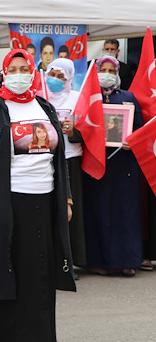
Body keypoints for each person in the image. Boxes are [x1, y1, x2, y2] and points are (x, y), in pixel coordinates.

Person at [0, 49, 76, 341]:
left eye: (24, 68)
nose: (19, 74)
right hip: (9, 203)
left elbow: (59, 157)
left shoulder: (44, 107)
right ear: (5, 73)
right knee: (8, 273)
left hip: (45, 201)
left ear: (33, 71)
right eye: (13, 69)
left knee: (40, 275)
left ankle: (40, 334)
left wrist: (66, 196)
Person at [82, 56, 144, 277]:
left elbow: (140, 129)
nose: (107, 73)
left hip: (124, 165)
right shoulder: (88, 98)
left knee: (125, 213)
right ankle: (97, 261)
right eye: (103, 69)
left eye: (111, 70)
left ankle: (127, 261)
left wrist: (132, 141)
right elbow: (82, 127)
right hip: (96, 163)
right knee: (98, 211)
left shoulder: (129, 98)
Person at [44, 58, 86, 268]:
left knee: (70, 212)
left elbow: (89, 131)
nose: (55, 80)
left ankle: (70, 261)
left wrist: (73, 131)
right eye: (52, 74)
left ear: (69, 78)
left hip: (70, 159)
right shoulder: (38, 98)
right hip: (45, 160)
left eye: (61, 77)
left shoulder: (78, 99)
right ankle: (49, 259)